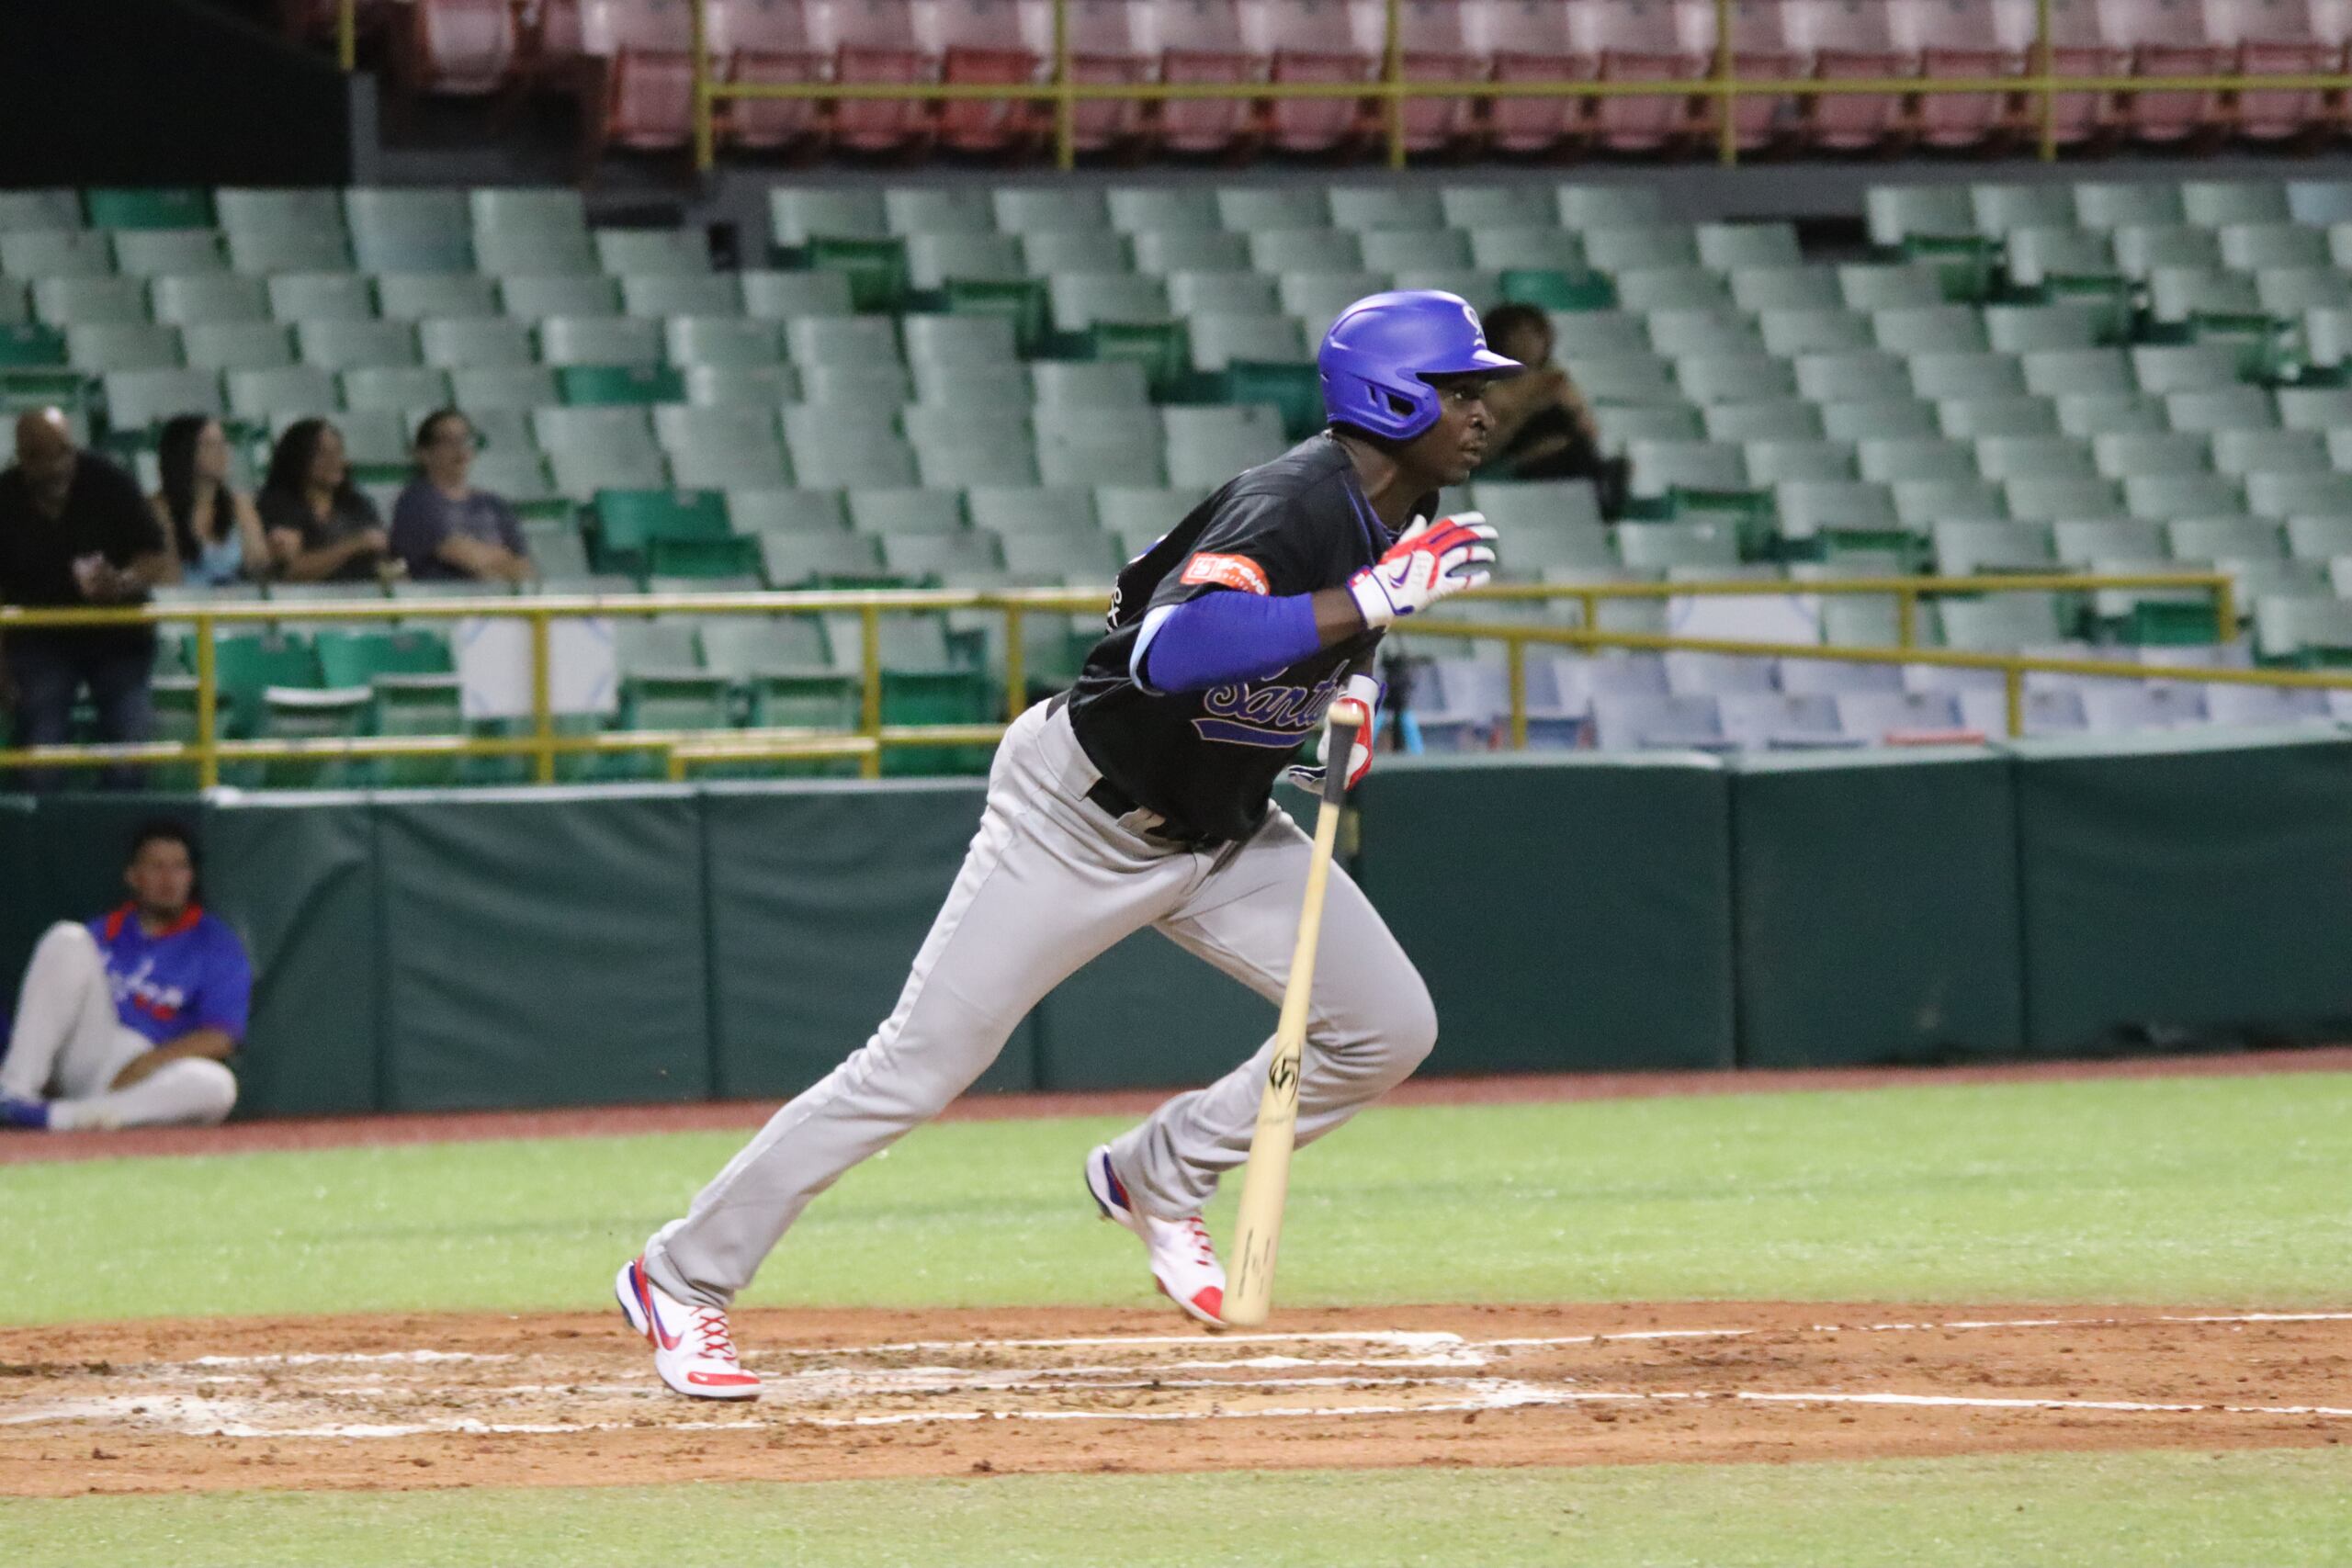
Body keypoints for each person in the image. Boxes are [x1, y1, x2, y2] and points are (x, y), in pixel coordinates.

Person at [616, 290, 1510, 1401]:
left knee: (1385, 1028)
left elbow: (1332, 636)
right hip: (1080, 819)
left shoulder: (1391, 518)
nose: (1484, 410)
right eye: (1461, 389)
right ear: (1392, 396)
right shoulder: (1293, 502)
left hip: (1223, 829)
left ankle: (1158, 1175)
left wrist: (1357, 692)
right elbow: (1170, 651)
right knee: (916, 1067)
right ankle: (681, 1277)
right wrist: (1367, 600)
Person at [0, 818, 248, 1133]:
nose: (169, 878)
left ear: (191, 877)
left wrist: (148, 1064)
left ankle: (61, 1117)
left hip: (150, 1069)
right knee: (66, 938)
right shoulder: (103, 932)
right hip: (89, 1049)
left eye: (179, 867)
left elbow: (222, 1037)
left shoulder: (215, 943)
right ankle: (14, 1094)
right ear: (133, 876)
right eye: (157, 866)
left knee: (217, 1086)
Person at [0, 408, 173, 792]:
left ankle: (125, 840)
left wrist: (123, 582)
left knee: (129, 755)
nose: (55, 467)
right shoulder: (5, 498)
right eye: (41, 457)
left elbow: (155, 556)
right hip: (40, 642)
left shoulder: (110, 482)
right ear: (23, 458)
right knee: (41, 761)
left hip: (119, 639)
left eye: (62, 453)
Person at [1476, 301, 1631, 517]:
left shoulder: (1556, 382)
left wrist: (1570, 403)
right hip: (1516, 467)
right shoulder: (1488, 389)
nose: (1530, 343)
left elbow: (1590, 433)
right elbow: (1484, 451)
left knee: (1583, 455)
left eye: (1536, 335)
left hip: (1568, 461)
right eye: (1520, 335)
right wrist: (1527, 409)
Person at [389, 410, 533, 584]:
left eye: (466, 439)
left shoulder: (494, 504)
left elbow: (525, 568)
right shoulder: (415, 502)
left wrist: (489, 563)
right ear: (425, 453)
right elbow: (460, 554)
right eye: (449, 441)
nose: (460, 449)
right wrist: (499, 557)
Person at [257, 417, 396, 584]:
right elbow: (291, 571)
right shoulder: (278, 506)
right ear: (300, 458)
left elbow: (382, 557)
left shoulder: (358, 504)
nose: (334, 460)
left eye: (338, 452)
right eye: (322, 453)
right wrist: (355, 545)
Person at [153, 414, 271, 587]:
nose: (222, 452)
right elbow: (168, 580)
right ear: (184, 451)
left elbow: (259, 568)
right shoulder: (160, 510)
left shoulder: (240, 505)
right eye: (209, 445)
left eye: (223, 443)